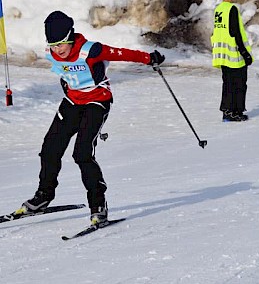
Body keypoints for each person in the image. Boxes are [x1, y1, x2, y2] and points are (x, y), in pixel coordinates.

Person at [14, 11, 165, 225]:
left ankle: (98, 206)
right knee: (50, 148)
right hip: (73, 102)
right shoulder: (52, 52)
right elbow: (66, 73)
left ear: (70, 37)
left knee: (82, 153)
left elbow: (120, 53)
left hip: (97, 102)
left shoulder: (91, 50)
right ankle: (44, 196)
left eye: (61, 45)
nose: (58, 50)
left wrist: (149, 58)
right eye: (53, 45)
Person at [211, 0, 253, 122]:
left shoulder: (218, 9)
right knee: (239, 83)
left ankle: (227, 112)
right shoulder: (232, 9)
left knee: (228, 83)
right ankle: (236, 113)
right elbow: (235, 32)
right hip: (234, 54)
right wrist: (245, 53)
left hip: (222, 54)